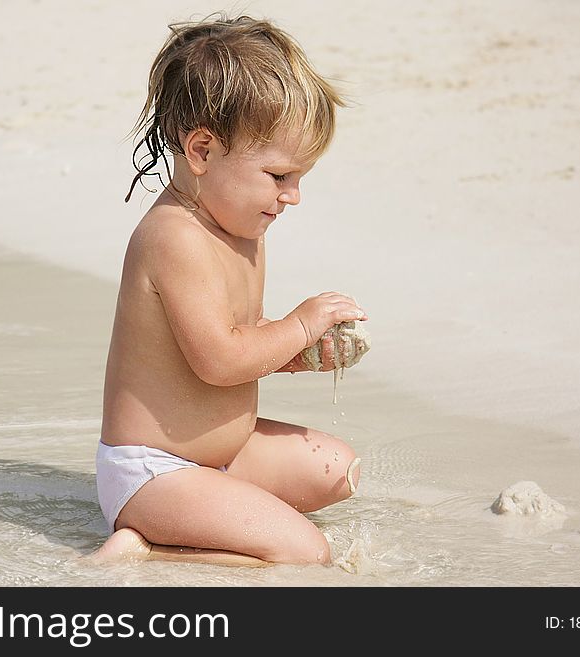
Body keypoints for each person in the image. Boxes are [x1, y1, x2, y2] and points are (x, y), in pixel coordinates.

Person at [92, 14, 367, 567]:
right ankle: (150, 547)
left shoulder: (241, 225)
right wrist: (299, 325)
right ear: (201, 151)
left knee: (338, 472)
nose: (292, 197)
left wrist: (296, 355)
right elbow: (218, 361)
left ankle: (203, 519)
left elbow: (240, 341)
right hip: (157, 471)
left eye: (299, 180)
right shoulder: (176, 238)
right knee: (306, 555)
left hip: (223, 454)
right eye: (279, 176)